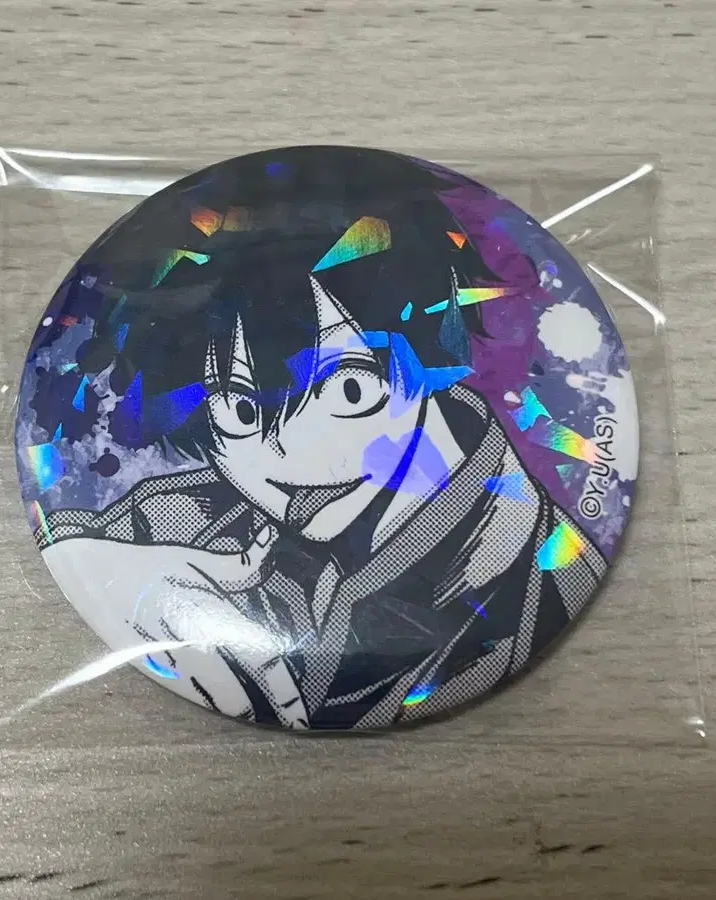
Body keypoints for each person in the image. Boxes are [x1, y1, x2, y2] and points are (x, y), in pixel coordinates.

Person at [33, 148, 607, 729]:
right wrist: (103, 571)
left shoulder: (539, 588)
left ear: (432, 359)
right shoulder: (182, 518)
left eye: (349, 389)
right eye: (241, 408)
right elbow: (79, 540)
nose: (287, 456)